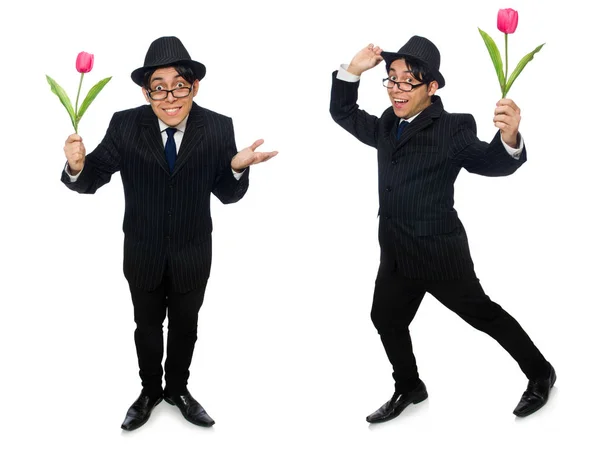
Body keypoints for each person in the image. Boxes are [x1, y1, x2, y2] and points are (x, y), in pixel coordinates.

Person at [329, 36, 554, 423]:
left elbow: (491, 162)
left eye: (407, 82)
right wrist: (352, 71)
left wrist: (509, 137)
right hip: (396, 252)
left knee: (483, 315)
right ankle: (409, 387)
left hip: (439, 253)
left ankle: (540, 373)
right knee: (385, 318)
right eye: (391, 79)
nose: (396, 90)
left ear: (431, 87)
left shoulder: (453, 128)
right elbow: (344, 114)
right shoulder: (387, 123)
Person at [61, 36, 277, 431]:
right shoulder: (125, 125)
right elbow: (91, 179)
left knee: (185, 326)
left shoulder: (216, 127)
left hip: (193, 252)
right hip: (142, 251)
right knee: (146, 326)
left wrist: (236, 167)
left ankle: (177, 389)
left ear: (194, 86)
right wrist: (77, 166)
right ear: (146, 92)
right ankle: (149, 392)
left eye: (180, 85)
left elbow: (228, 195)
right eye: (158, 87)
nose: (170, 96)